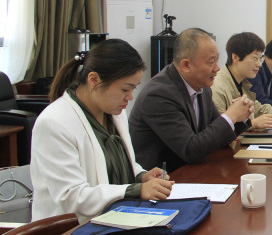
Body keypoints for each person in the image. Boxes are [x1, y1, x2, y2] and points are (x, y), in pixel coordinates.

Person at [30, 39, 174, 223]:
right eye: (125, 89)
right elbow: (71, 197)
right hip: (69, 231)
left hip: (117, 218)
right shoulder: (54, 123)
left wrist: (141, 176)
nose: (130, 97)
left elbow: (113, 166)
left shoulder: (115, 113)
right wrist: (136, 190)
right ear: (94, 80)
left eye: (133, 88)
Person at [129, 28, 253, 171]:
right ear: (186, 65)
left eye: (217, 60)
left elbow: (216, 136)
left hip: (193, 171)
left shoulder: (203, 87)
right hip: (164, 177)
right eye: (211, 62)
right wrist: (230, 116)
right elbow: (191, 149)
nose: (217, 68)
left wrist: (240, 116)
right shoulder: (159, 94)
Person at [211, 32, 272, 127]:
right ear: (235, 57)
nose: (259, 64)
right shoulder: (217, 87)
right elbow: (219, 129)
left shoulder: (243, 82)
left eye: (260, 58)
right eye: (255, 58)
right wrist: (252, 124)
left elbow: (259, 109)